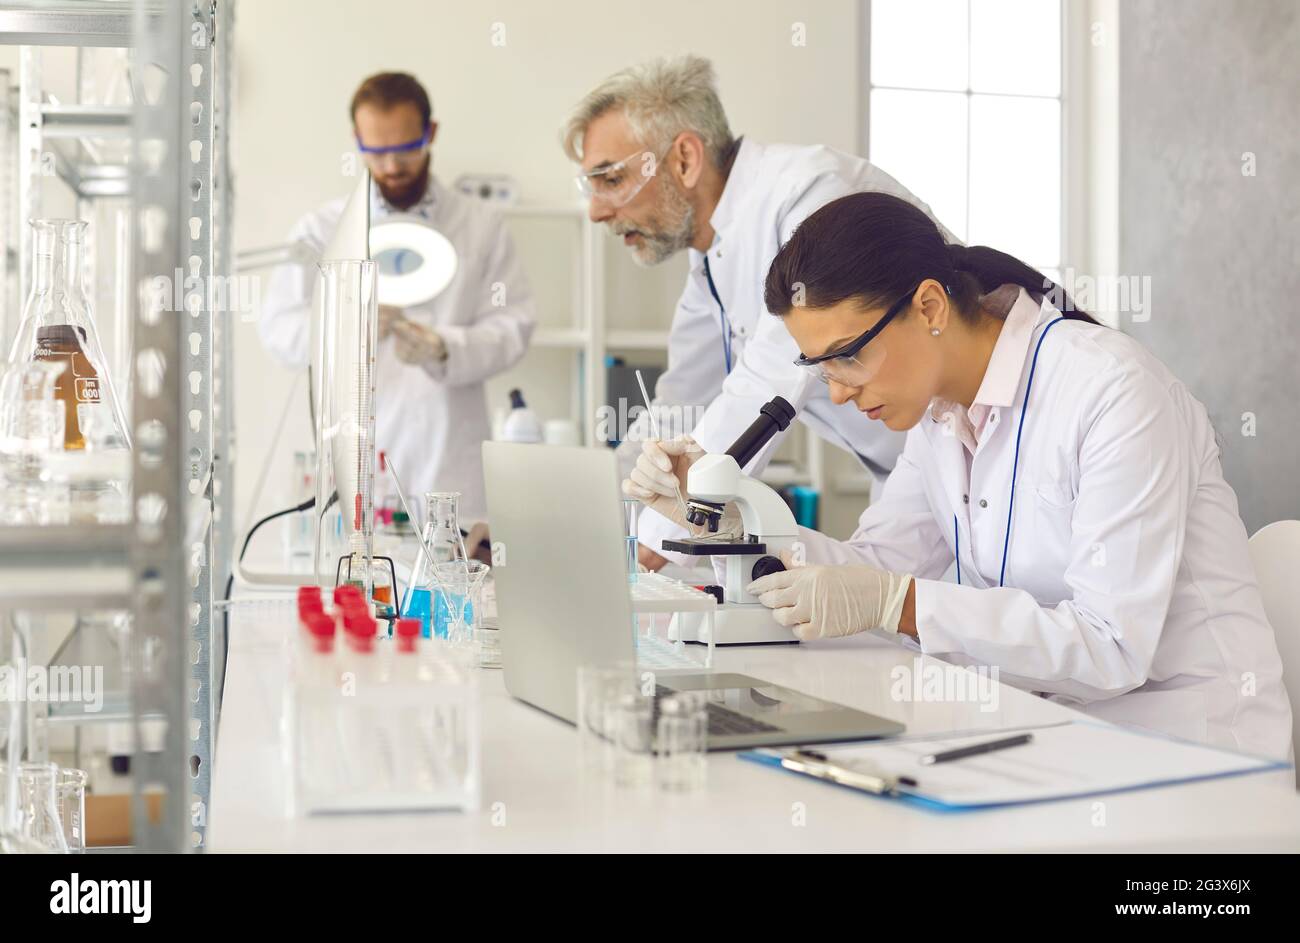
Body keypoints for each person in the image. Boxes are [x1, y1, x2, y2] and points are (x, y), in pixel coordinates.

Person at [627, 190, 1292, 759]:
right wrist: (723, 514)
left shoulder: (1112, 391)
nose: (838, 394)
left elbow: (1108, 645)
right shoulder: (939, 415)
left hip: (1187, 757)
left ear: (929, 307)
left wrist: (904, 602)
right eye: (821, 370)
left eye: (848, 357)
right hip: (1044, 735)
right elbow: (869, 568)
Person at [563, 55, 953, 569]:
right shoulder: (710, 256)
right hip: (910, 484)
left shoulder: (809, 192)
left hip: (965, 451)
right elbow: (680, 404)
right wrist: (590, 520)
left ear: (683, 159)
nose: (596, 210)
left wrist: (659, 534)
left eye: (610, 179)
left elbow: (769, 378)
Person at [260, 72, 534, 522]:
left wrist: (446, 346)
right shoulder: (321, 231)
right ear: (356, 140)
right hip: (352, 467)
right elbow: (279, 331)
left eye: (405, 148)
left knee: (455, 585)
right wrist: (347, 328)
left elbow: (514, 326)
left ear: (432, 133)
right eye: (376, 151)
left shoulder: (481, 225)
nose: (391, 166)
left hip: (449, 466)